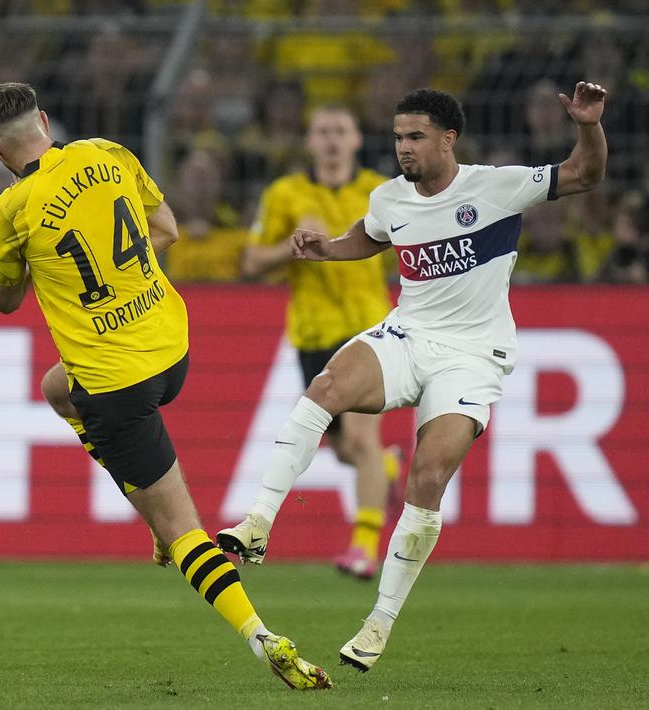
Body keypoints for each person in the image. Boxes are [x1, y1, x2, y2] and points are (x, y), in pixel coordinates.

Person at [216, 83, 607, 671]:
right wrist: (325, 248)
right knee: (324, 389)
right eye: (398, 137)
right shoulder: (390, 198)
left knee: (427, 478)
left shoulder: (496, 187)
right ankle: (258, 523)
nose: (403, 148)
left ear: (449, 140)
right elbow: (368, 239)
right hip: (409, 334)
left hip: (472, 356)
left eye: (416, 137)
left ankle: (378, 623)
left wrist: (588, 125)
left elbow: (582, 175)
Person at [0, 82, 331, 691]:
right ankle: (148, 510)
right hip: (172, 349)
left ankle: (260, 635)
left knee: (182, 528)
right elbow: (165, 230)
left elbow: (4, 302)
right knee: (56, 389)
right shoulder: (108, 154)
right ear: (42, 118)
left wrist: (40, 263)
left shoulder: (13, 209)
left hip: (116, 386)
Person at [241, 105, 402, 579]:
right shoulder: (286, 193)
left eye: (341, 130)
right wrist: (288, 248)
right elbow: (252, 261)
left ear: (356, 140)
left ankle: (364, 547)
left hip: (367, 330)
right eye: (322, 132)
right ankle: (387, 471)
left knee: (359, 437)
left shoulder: (380, 191)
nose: (331, 140)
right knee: (349, 450)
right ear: (309, 142)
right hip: (312, 333)